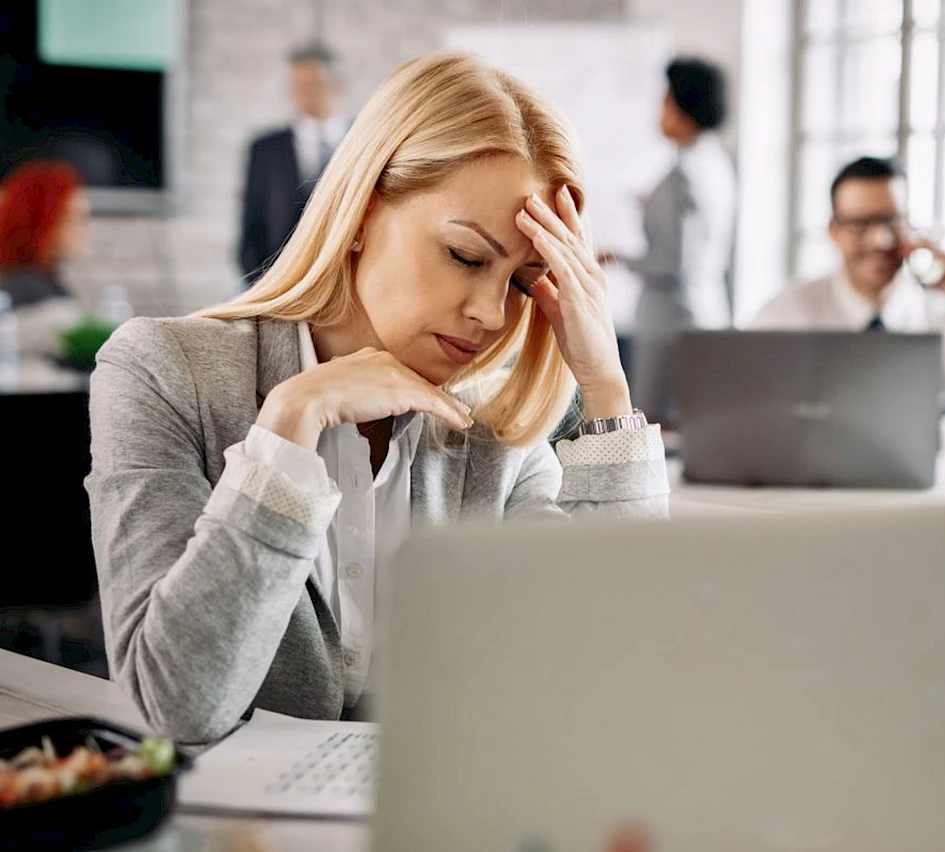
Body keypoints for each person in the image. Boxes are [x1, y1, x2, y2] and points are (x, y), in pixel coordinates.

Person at [87, 53, 669, 744]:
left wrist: (607, 389)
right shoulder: (163, 372)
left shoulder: (495, 432)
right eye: (466, 256)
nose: (490, 313)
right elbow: (177, 702)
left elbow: (616, 678)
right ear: (362, 211)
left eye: (522, 283)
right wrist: (286, 434)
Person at [752, 157, 945, 438]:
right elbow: (753, 419)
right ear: (834, 231)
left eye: (892, 222)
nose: (880, 240)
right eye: (860, 225)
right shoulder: (788, 312)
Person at [601, 57, 736, 425]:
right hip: (703, 311)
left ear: (683, 108)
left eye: (665, 100)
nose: (659, 111)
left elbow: (673, 263)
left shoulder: (684, 176)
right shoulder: (715, 163)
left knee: (652, 428)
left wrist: (617, 258)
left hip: (670, 322)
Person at [238, 43, 347, 285]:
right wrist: (261, 285)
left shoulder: (363, 140)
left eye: (312, 85)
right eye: (296, 86)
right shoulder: (265, 149)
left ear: (336, 86)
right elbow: (252, 225)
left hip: (345, 280)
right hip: (278, 281)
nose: (303, 94)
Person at [0, 159, 89, 356]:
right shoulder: (24, 289)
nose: (82, 230)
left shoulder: (44, 282)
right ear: (42, 222)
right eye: (73, 219)